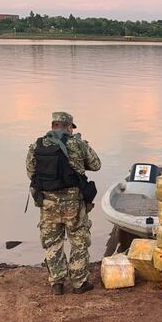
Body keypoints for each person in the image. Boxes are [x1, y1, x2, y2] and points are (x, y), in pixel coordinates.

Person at [26, 111, 101, 296]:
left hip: (48, 202)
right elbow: (96, 164)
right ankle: (79, 282)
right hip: (73, 202)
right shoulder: (77, 144)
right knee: (79, 239)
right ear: (69, 127)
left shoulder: (36, 145)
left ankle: (57, 282)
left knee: (52, 241)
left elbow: (31, 172)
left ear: (53, 126)